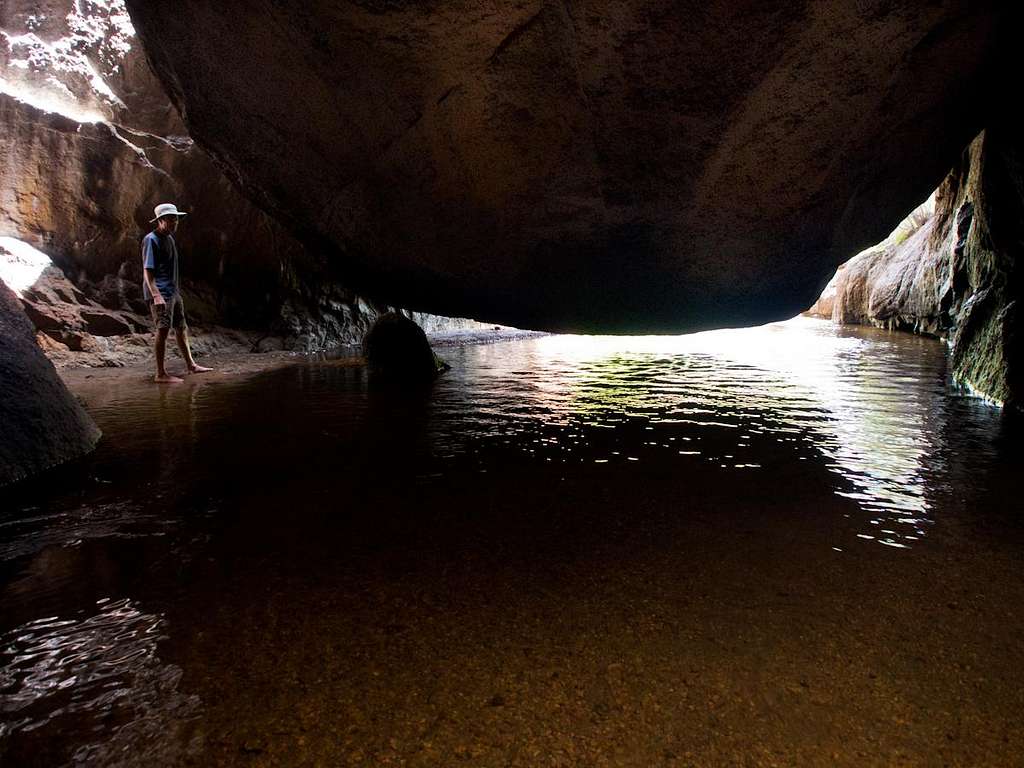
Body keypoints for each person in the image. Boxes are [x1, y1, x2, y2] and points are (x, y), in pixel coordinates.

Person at [142, 203, 212, 383]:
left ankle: (191, 365)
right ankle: (160, 374)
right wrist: (156, 295)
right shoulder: (151, 239)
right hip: (161, 292)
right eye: (171, 220)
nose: (175, 223)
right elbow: (147, 270)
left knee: (181, 328)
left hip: (173, 292)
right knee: (163, 330)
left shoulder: (170, 239)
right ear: (161, 221)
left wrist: (175, 292)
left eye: (176, 220)